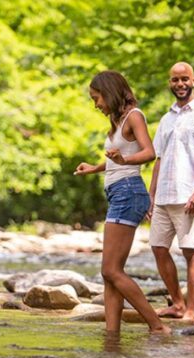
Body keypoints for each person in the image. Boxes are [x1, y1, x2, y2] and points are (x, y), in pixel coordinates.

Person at [75, 71, 171, 335]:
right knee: (110, 273)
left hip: (129, 192)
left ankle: (158, 325)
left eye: (97, 98)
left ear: (110, 92)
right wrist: (95, 168)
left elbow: (150, 152)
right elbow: (119, 158)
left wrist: (123, 161)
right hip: (118, 192)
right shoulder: (116, 122)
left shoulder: (134, 116)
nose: (96, 104)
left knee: (110, 269)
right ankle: (112, 334)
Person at [148, 62, 194, 321]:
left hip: (189, 194)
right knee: (158, 247)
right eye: (175, 80)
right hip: (163, 197)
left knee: (190, 250)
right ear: (170, 83)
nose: (180, 84)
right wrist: (151, 193)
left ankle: (191, 310)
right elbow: (159, 158)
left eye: (184, 79)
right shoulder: (166, 119)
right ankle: (177, 303)